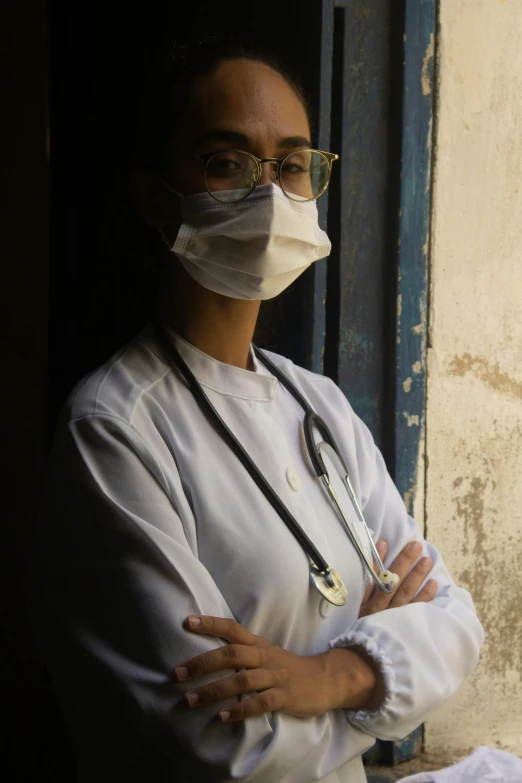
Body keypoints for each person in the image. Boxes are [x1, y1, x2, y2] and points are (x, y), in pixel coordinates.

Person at [29, 38, 484, 783]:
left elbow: (456, 623)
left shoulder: (319, 404)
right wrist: (383, 681)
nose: (268, 193)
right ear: (154, 198)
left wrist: (332, 674)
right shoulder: (114, 430)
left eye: (293, 165)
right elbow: (227, 744)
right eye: (226, 162)